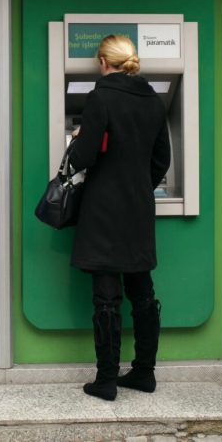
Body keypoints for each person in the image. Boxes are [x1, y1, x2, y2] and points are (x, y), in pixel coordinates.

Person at [69, 35, 171, 401]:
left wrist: (78, 137)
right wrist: (139, 185)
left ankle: (106, 379)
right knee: (142, 291)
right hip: (138, 207)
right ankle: (144, 371)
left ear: (102, 62)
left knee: (106, 296)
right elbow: (162, 160)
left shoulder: (100, 97)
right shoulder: (154, 100)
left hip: (104, 208)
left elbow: (83, 157)